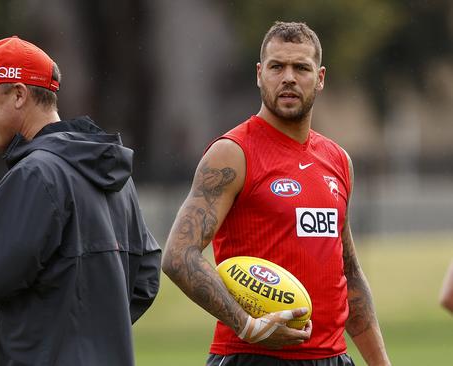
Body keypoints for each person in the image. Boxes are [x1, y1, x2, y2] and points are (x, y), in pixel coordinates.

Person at [162, 21, 391, 366]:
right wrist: (248, 326)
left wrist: (380, 362)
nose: (288, 77)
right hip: (252, 356)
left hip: (332, 358)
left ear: (321, 77)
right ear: (259, 74)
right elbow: (179, 256)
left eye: (301, 67)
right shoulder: (232, 153)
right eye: (276, 66)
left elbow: (349, 273)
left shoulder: (338, 161)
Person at [0, 35, 161, 365]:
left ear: (18, 94)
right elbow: (145, 277)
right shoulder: (112, 171)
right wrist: (91, 340)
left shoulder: (36, 174)